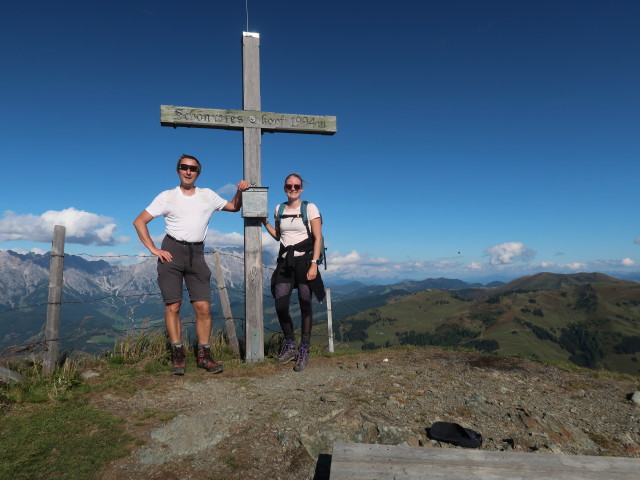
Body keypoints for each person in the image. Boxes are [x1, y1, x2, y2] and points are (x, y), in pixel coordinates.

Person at [133, 154, 250, 375]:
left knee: (203, 307)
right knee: (173, 306)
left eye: (193, 169)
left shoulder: (207, 195)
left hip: (197, 253)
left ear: (198, 173)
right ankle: (178, 355)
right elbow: (139, 221)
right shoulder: (167, 196)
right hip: (172, 251)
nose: (188, 171)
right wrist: (153, 249)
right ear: (178, 170)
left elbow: (234, 207)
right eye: (184, 167)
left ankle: (204, 357)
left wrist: (241, 191)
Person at [262, 173, 325, 372]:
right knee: (280, 304)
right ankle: (290, 344)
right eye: (289, 186)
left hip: (305, 260)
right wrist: (265, 223)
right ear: (284, 188)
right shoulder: (278, 209)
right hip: (285, 261)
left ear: (301, 188)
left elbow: (318, 238)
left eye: (296, 186)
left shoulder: (310, 208)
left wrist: (314, 263)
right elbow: (279, 236)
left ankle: (304, 348)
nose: (293, 189)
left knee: (305, 303)